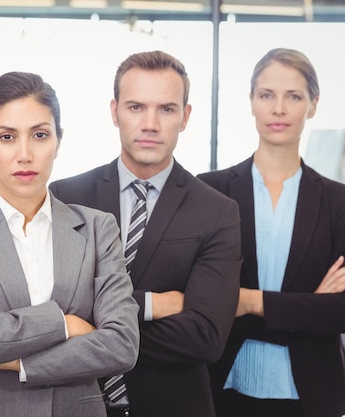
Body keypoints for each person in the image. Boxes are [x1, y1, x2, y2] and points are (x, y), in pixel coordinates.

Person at [0, 71, 139, 417]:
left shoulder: (98, 228)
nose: (24, 154)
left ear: (58, 140)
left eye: (39, 135)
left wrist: (12, 359)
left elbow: (121, 345)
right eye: (7, 137)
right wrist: (65, 324)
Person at [48, 50, 242, 417]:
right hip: (72, 403)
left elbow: (205, 337)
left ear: (185, 117)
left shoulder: (216, 211)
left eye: (166, 109)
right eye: (136, 107)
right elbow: (46, 306)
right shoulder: (65, 197)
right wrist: (152, 304)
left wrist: (85, 328)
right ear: (114, 111)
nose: (150, 123)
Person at [198, 48, 345, 417]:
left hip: (312, 395)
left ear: (312, 105)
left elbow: (340, 312)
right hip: (221, 389)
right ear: (251, 102)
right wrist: (306, 307)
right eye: (267, 95)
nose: (278, 109)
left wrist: (247, 301)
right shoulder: (209, 192)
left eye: (293, 96)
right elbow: (200, 304)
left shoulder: (338, 201)